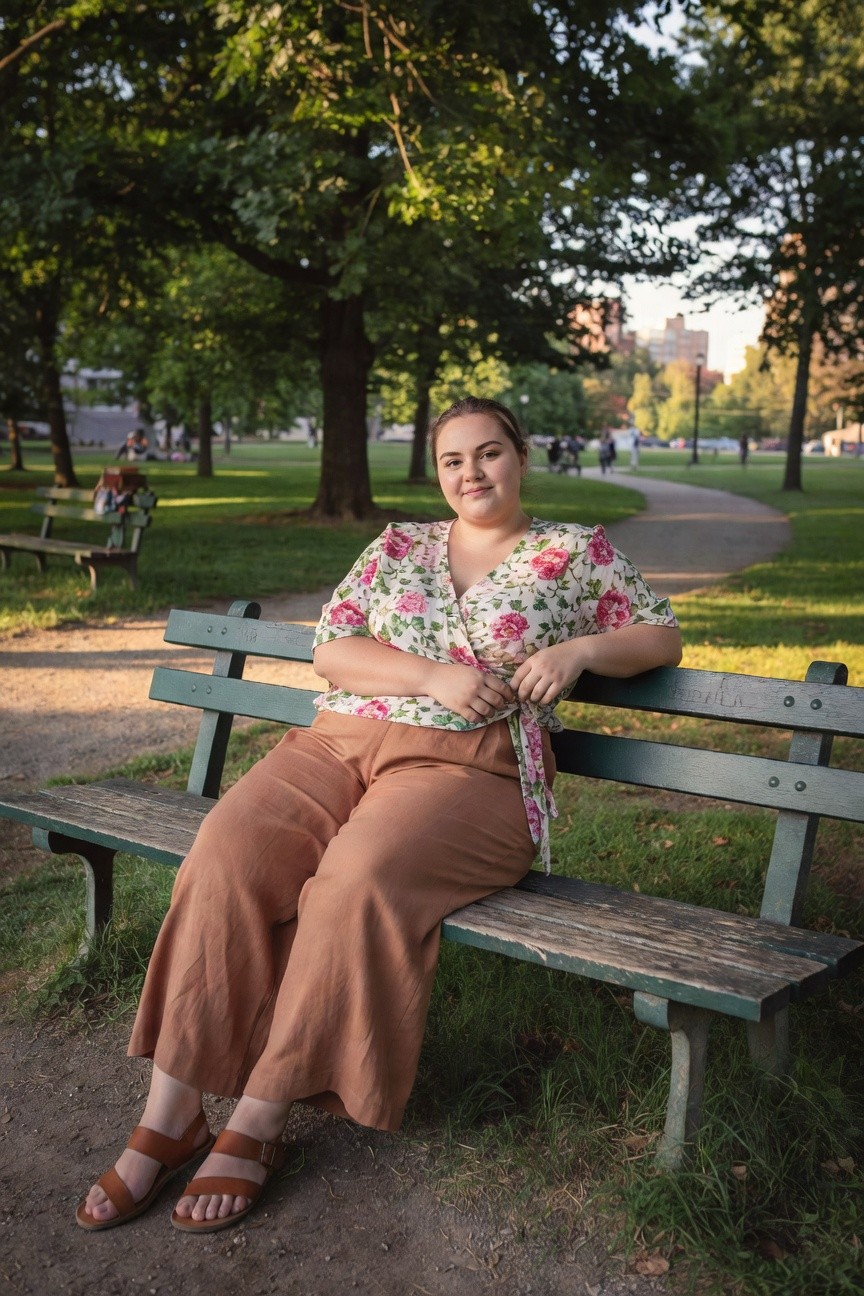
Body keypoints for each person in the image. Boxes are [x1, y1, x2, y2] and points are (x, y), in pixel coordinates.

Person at [76, 396, 682, 1236]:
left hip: (468, 769)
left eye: (490, 453)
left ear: (522, 456)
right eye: (453, 460)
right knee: (225, 853)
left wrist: (578, 650)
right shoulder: (398, 545)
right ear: (437, 472)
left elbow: (659, 634)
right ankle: (173, 1111)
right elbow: (332, 647)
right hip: (337, 743)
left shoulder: (574, 553)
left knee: (353, 881)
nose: (472, 472)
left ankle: (257, 1119)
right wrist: (430, 677)